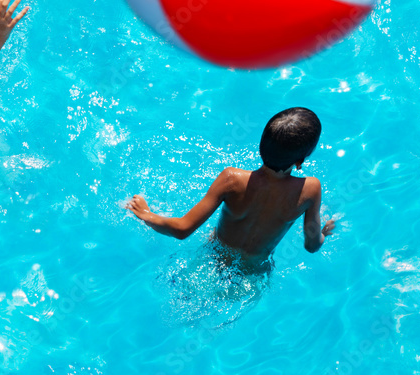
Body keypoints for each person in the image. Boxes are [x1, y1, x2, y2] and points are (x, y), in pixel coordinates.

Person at [126, 107, 334, 265]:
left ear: (261, 147)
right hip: (255, 270)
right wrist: (322, 232)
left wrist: (146, 213)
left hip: (213, 256)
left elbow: (182, 230)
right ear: (300, 162)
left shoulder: (231, 179)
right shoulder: (310, 189)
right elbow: (311, 245)